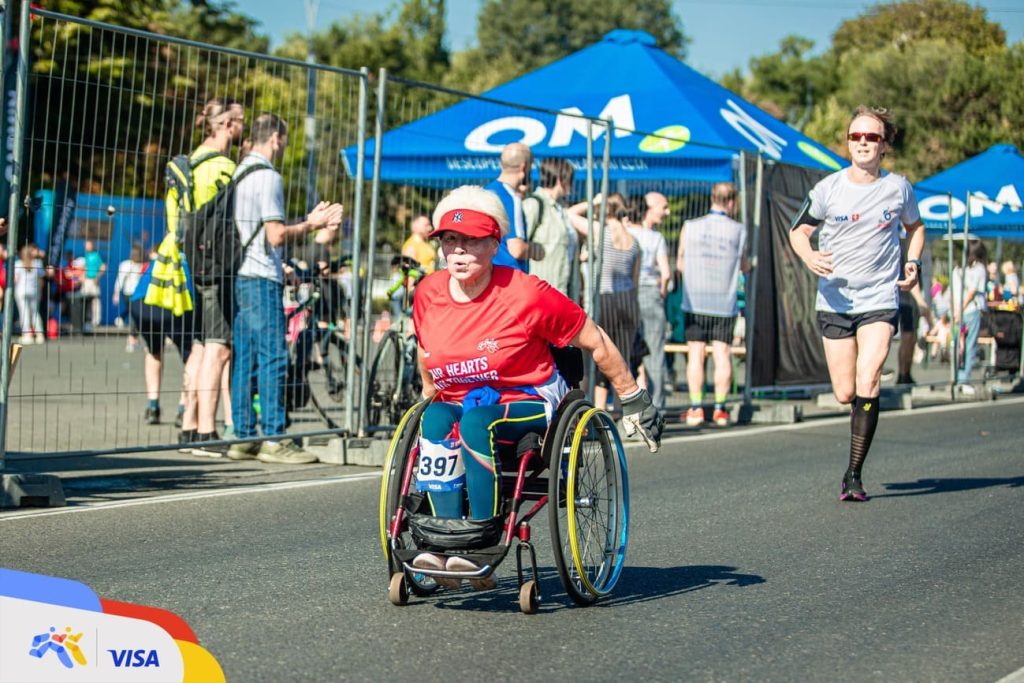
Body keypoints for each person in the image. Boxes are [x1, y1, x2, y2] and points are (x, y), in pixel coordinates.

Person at [409, 185, 662, 587]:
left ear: (495, 244)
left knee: (477, 423)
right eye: (449, 240)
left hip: (528, 399)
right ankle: (443, 541)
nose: (457, 251)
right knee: (436, 419)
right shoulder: (427, 293)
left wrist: (633, 398)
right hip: (460, 399)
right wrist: (426, 395)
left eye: (471, 241)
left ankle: (479, 541)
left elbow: (594, 339)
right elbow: (427, 351)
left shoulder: (526, 293)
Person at [790, 105, 924, 502]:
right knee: (846, 393)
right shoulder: (828, 189)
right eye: (855, 136)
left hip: (880, 297)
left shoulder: (899, 188)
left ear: (884, 146)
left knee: (869, 379)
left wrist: (912, 261)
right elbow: (799, 231)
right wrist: (809, 255)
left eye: (871, 137)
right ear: (848, 143)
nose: (862, 143)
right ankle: (857, 418)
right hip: (835, 299)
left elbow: (915, 229)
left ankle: (853, 474)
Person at [226, 113, 343, 464]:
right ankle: (276, 437)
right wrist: (312, 223)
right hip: (260, 277)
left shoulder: (239, 172)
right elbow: (275, 235)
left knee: (244, 356)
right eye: (285, 139)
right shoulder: (268, 177)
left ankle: (243, 436)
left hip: (240, 274)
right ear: (276, 137)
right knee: (275, 355)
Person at [173, 99, 246, 455]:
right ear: (226, 126)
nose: (242, 128)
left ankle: (189, 427)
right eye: (240, 122)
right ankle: (207, 432)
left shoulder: (186, 164)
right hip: (216, 264)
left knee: (201, 346)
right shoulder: (222, 167)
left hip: (188, 262)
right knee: (218, 348)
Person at [677, 183, 749, 427]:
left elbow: (680, 264)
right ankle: (720, 409)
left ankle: (696, 407)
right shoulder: (738, 230)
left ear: (712, 198)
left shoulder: (690, 226)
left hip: (695, 299)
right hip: (723, 300)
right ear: (731, 202)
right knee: (722, 354)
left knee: (695, 354)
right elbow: (744, 265)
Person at [568, 192, 642, 413]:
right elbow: (635, 279)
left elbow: (570, 214)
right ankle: (623, 409)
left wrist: (592, 201)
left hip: (605, 297)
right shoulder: (634, 241)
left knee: (604, 353)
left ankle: (600, 409)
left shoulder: (601, 231)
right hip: (628, 299)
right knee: (623, 355)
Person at [629, 192, 672, 412]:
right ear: (649, 208)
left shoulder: (625, 232)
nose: (667, 212)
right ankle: (657, 409)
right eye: (663, 207)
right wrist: (661, 292)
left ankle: (629, 406)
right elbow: (665, 273)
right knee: (654, 353)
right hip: (650, 294)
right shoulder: (655, 238)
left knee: (628, 353)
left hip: (627, 293)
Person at [523, 157, 579, 298]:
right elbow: (519, 245)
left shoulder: (559, 209)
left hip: (562, 289)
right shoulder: (534, 204)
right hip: (541, 291)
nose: (572, 186)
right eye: (571, 181)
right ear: (561, 180)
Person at [484, 142, 543, 273]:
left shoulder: (485, 193)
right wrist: (537, 250)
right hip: (509, 277)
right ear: (524, 167)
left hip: (488, 274)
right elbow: (517, 249)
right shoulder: (511, 199)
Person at [951, 240, 987, 395]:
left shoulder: (957, 269)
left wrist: (955, 311)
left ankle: (956, 377)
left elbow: (953, 293)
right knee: (969, 345)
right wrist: (961, 309)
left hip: (957, 311)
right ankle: (964, 379)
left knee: (958, 345)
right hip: (970, 310)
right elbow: (972, 292)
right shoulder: (979, 269)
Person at [112, 245, 145, 349]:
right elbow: (120, 279)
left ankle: (122, 318)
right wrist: (116, 293)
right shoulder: (126, 265)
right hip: (130, 293)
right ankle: (131, 341)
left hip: (138, 294)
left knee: (135, 314)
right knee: (135, 316)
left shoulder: (142, 265)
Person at [14, 243, 45, 344]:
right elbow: (41, 280)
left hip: (21, 291)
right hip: (34, 291)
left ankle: (27, 335)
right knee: (35, 312)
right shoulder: (38, 263)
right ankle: (40, 334)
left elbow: (15, 279)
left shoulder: (18, 264)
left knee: (24, 313)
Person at [79, 240, 106, 331]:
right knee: (84, 301)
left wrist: (97, 277)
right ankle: (85, 320)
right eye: (85, 245)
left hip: (93, 281)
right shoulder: (85, 256)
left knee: (95, 300)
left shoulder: (96, 255)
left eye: (88, 245)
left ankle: (96, 321)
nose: (86, 247)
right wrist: (82, 277)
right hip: (86, 281)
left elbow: (103, 267)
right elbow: (83, 268)